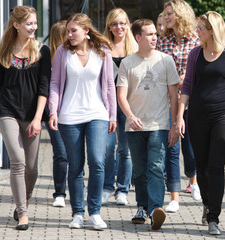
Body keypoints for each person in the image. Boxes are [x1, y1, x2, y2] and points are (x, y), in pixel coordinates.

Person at [176, 11, 225, 235]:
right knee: (202, 167)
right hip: (197, 116)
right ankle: (207, 204)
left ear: (212, 30)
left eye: (201, 29)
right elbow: (187, 86)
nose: (197, 32)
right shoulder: (195, 54)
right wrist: (179, 116)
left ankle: (214, 216)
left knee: (216, 166)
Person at [48, 13, 116, 230]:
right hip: (69, 116)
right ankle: (78, 213)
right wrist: (53, 111)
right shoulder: (62, 52)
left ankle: (94, 212)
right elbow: (56, 83)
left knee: (97, 161)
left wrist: (112, 114)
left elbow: (109, 86)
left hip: (97, 114)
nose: (69, 35)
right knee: (75, 166)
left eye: (73, 31)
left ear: (86, 31)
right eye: (68, 31)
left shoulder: (102, 51)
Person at [0, 6, 50, 231]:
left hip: (32, 114)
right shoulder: (2, 51)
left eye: (35, 23)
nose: (33, 27)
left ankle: (24, 200)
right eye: (29, 24)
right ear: (16, 25)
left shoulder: (43, 51)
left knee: (32, 168)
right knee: (18, 161)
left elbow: (44, 89)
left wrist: (37, 119)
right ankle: (23, 214)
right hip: (7, 111)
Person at [117, 18, 180, 231]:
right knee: (139, 170)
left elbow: (174, 96)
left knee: (155, 167)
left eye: (155, 33)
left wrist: (174, 125)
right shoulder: (127, 63)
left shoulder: (166, 60)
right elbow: (121, 96)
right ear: (137, 37)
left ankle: (155, 210)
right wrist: (130, 116)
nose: (155, 37)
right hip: (134, 126)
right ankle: (142, 207)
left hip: (159, 124)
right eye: (149, 34)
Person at [157, 0, 201, 213]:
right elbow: (158, 69)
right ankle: (174, 197)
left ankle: (193, 180)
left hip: (192, 102)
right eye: (165, 15)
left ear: (180, 15)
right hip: (168, 101)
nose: (166, 18)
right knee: (171, 150)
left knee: (190, 150)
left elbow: (202, 68)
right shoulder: (162, 41)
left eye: (169, 14)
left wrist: (187, 77)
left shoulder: (196, 39)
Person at [101, 7, 137, 206]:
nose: (119, 27)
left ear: (128, 25)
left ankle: (123, 189)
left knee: (126, 149)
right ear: (109, 26)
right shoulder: (103, 47)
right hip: (107, 105)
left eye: (122, 23)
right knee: (107, 147)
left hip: (129, 105)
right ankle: (107, 186)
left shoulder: (135, 48)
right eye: (114, 23)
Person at [46, 20, 68, 208]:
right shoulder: (48, 59)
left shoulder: (74, 55)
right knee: (61, 153)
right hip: (52, 110)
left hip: (72, 110)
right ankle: (59, 193)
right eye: (67, 33)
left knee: (74, 153)